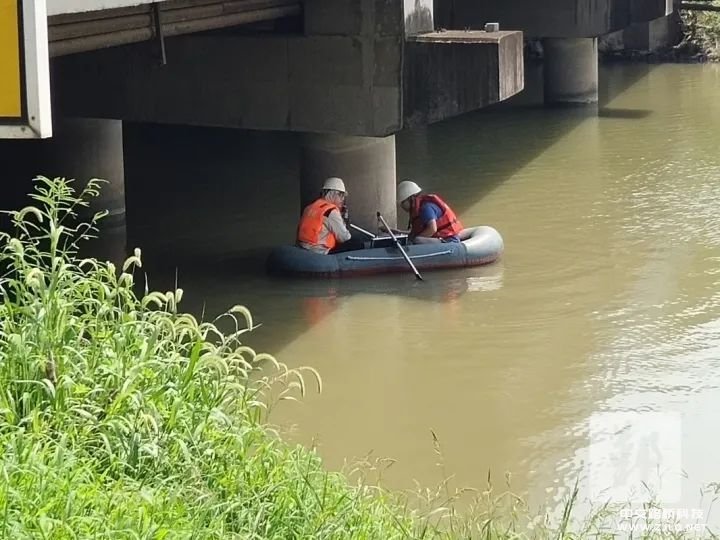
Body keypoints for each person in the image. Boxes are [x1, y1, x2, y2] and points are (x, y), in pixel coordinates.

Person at [394, 179, 464, 244]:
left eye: (403, 203)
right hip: (439, 238)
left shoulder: (426, 208)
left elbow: (432, 229)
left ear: (411, 198)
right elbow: (415, 232)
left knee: (417, 240)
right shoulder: (417, 209)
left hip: (448, 240)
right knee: (415, 238)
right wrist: (398, 232)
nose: (402, 206)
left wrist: (413, 241)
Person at [296, 177, 352, 254]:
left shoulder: (309, 208)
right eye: (341, 195)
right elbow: (344, 237)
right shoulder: (331, 211)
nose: (342, 199)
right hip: (320, 252)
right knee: (355, 243)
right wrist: (343, 222)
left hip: (303, 248)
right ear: (332, 193)